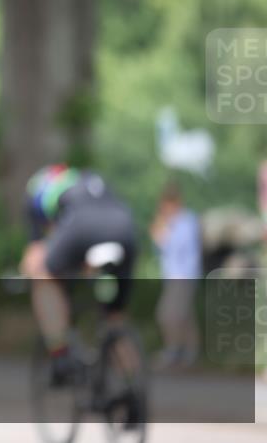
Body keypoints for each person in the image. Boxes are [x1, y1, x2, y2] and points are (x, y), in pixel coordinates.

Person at [19, 164, 138, 387]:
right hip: (125, 227)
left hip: (82, 226)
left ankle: (60, 356)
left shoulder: (37, 192)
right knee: (114, 317)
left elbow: (35, 255)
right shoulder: (91, 181)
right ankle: (133, 391)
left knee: (42, 277)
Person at [150, 181, 201, 370]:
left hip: (183, 276)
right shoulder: (173, 223)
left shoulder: (186, 221)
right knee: (185, 317)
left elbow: (178, 247)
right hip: (175, 275)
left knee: (167, 314)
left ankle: (175, 352)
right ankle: (188, 356)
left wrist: (162, 236)